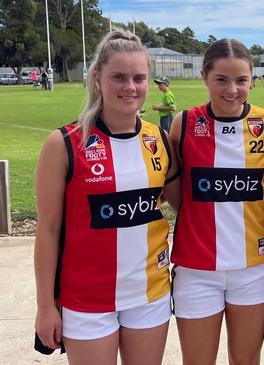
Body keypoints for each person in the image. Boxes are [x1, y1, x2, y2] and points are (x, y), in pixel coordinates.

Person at [34, 29, 179, 365]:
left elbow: (185, 206)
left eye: (139, 78)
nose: (130, 87)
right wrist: (45, 307)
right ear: (98, 78)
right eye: (119, 77)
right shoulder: (65, 143)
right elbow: (49, 230)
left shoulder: (158, 139)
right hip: (86, 299)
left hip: (149, 295)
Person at [168, 38, 264, 364]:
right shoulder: (186, 123)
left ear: (252, 81)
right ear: (204, 77)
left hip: (253, 270)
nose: (232, 89)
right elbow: (178, 194)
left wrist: (252, 222)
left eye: (241, 80)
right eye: (221, 79)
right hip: (196, 270)